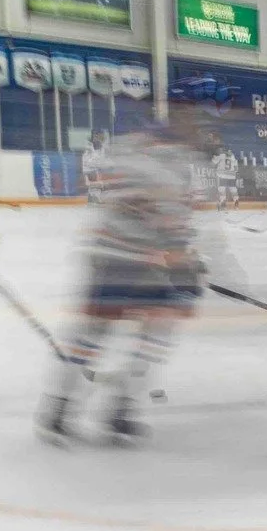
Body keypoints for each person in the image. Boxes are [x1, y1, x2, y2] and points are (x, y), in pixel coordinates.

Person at [37, 112, 205, 444]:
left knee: (91, 337)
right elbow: (173, 222)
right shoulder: (176, 166)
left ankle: (58, 409)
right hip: (139, 263)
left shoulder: (122, 154)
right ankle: (120, 411)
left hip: (105, 256)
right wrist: (186, 263)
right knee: (154, 335)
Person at [82, 129, 108, 204]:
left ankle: (93, 197)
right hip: (90, 168)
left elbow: (101, 158)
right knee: (97, 184)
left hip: (96, 168)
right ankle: (94, 197)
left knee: (98, 184)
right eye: (97, 136)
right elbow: (87, 160)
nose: (100, 138)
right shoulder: (89, 146)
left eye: (101, 136)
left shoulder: (101, 147)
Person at [213, 146, 240, 212]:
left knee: (222, 190)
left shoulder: (221, 155)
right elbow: (236, 168)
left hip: (222, 175)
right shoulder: (233, 157)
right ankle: (236, 202)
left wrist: (214, 156)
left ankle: (223, 203)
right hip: (231, 175)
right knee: (233, 190)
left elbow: (213, 161)